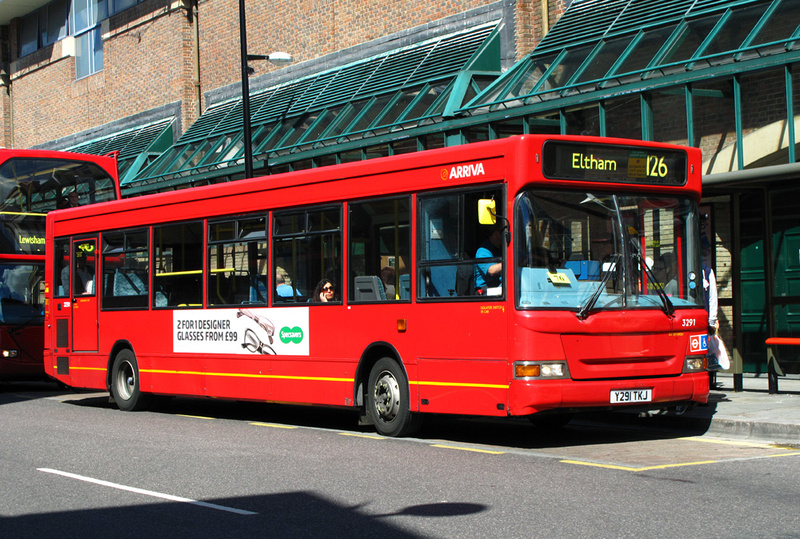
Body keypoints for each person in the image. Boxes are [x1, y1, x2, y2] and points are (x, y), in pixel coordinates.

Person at [475, 225, 503, 294]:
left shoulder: (502, 249)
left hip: (500, 286)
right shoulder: (483, 251)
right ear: (496, 234)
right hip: (486, 290)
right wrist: (510, 261)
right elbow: (491, 270)